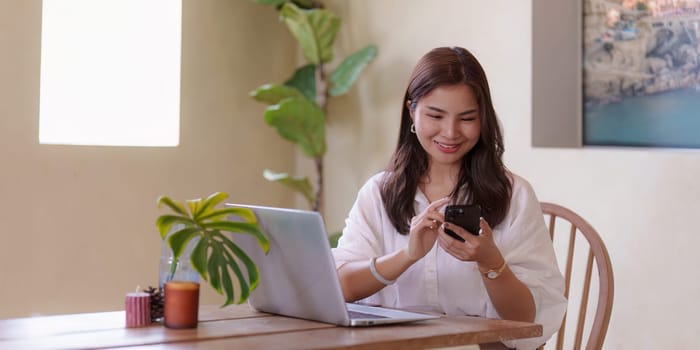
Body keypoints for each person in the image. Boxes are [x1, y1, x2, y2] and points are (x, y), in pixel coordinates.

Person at [332, 46, 567, 350]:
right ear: (411, 111)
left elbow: (526, 323)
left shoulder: (514, 195)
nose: (451, 132)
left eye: (467, 118)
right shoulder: (379, 192)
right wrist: (408, 256)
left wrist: (490, 262)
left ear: (483, 119)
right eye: (436, 115)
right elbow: (341, 287)